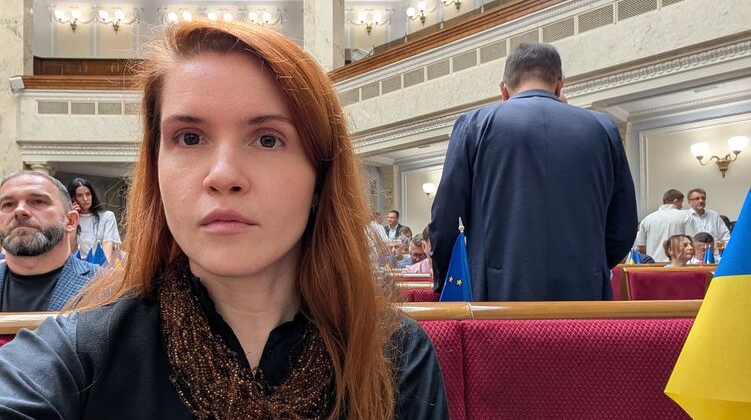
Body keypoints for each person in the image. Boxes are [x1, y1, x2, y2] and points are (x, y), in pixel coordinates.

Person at [0, 21, 447, 418]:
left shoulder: (394, 353)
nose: (223, 176)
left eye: (268, 139)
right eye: (189, 138)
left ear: (320, 175)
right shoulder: (82, 351)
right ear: (156, 170)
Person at [429, 43, 637, 301]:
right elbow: (624, 225)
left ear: (504, 89)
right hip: (584, 290)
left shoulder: (474, 124)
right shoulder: (603, 127)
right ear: (559, 84)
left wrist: (448, 280)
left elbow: (445, 216)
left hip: (495, 294)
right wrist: (590, 264)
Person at [0, 171, 98, 311]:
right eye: (8, 204)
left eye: (38, 201)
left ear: (71, 221)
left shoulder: (109, 288)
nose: (20, 210)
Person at [67, 177, 122, 264]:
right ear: (73, 199)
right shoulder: (69, 220)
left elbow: (108, 243)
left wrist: (103, 268)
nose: (85, 199)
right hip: (78, 266)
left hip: (101, 265)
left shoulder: (107, 216)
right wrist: (73, 219)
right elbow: (70, 250)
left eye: (88, 194)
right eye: (80, 195)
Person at [634, 189, 690, 262]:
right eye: (681, 203)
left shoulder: (646, 220)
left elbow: (641, 247)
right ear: (675, 201)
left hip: (653, 264)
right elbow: (692, 241)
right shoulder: (685, 216)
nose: (681, 206)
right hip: (677, 263)